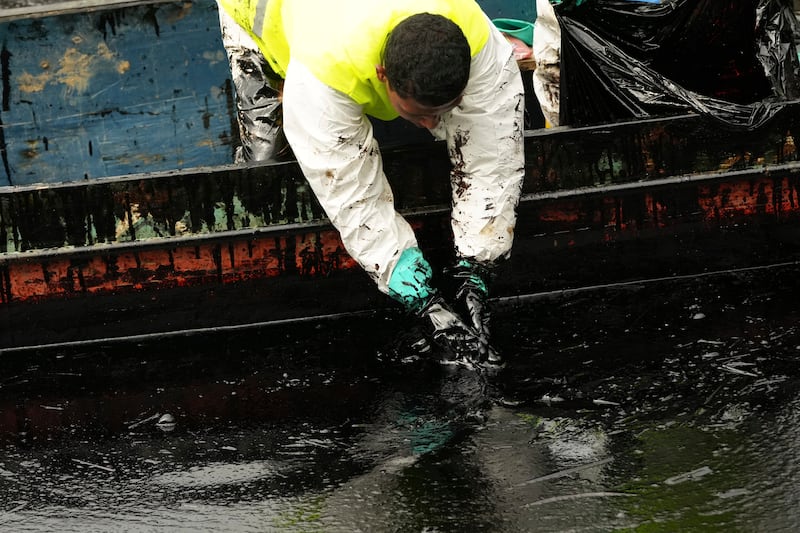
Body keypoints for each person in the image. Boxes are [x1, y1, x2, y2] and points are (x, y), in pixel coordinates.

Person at [215, 0, 525, 366]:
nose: (430, 124)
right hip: (259, 20)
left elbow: (492, 157)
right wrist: (423, 299)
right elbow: (354, 201)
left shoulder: (478, 40)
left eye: (442, 109)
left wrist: (478, 267)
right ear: (382, 74)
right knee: (269, 170)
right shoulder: (321, 76)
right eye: (419, 114)